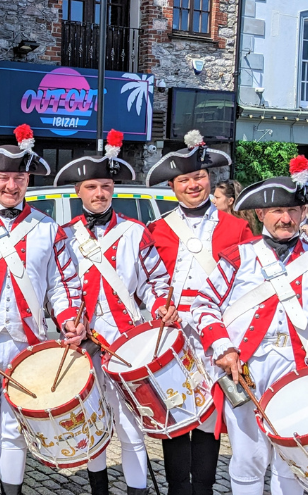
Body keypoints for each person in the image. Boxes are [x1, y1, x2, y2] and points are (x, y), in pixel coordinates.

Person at [192, 163, 308, 495]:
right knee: (248, 459)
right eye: (278, 210)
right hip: (246, 371)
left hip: (299, 372)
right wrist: (224, 348)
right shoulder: (238, 257)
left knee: (292, 458)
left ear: (303, 213)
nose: (286, 218)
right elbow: (204, 305)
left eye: (294, 210)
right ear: (262, 213)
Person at [0, 125, 82, 495]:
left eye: (18, 177)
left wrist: (69, 319)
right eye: (4, 177)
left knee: (15, 427)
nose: (11, 185)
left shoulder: (48, 228)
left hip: (28, 345)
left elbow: (63, 283)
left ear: (27, 181)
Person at [53, 131, 177, 495]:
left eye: (106, 185)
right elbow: (56, 288)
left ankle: (137, 490)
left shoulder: (135, 232)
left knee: (130, 425)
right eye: (91, 186)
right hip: (84, 344)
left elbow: (156, 283)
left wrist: (161, 307)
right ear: (78, 191)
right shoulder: (63, 236)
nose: (99, 193)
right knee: (92, 422)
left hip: (127, 343)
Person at [144, 130, 253, 495]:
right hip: (173, 336)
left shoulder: (238, 228)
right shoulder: (157, 229)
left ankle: (203, 487)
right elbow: (147, 283)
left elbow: (246, 284)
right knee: (174, 414)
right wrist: (160, 307)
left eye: (200, 177)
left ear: (211, 179)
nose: (194, 185)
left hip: (216, 334)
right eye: (185, 179)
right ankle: (178, 488)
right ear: (173, 185)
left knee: (210, 416)